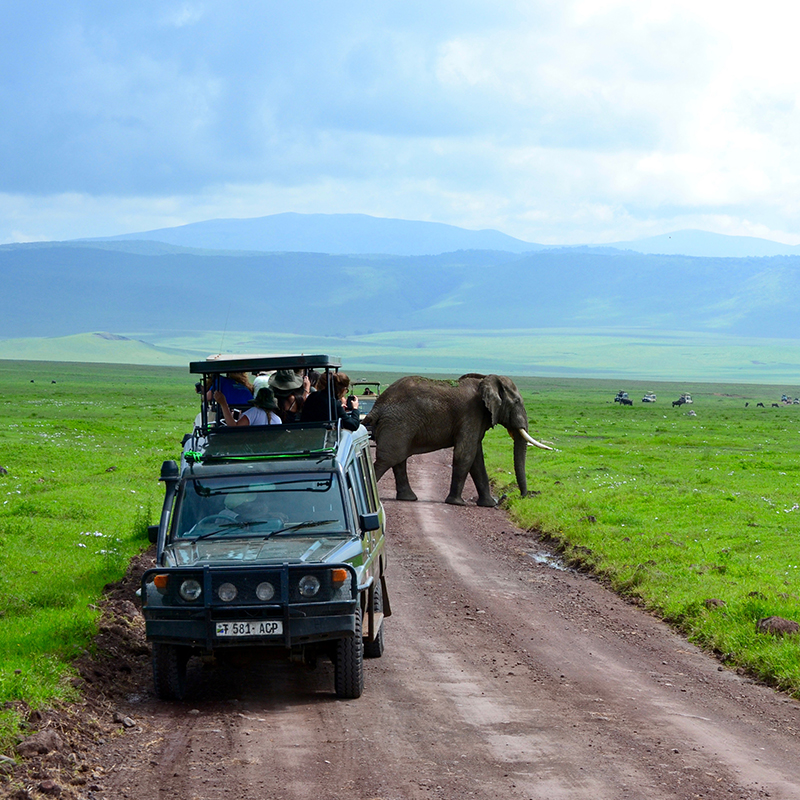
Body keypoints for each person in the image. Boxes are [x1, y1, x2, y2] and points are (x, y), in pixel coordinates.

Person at [215, 376, 281, 427]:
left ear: (257, 402)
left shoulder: (255, 412)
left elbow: (234, 427)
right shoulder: (277, 420)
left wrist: (223, 404)